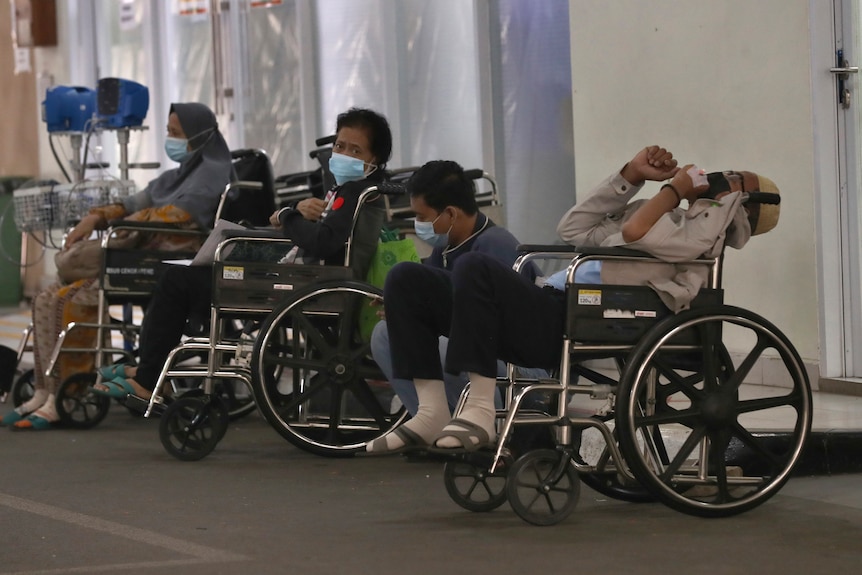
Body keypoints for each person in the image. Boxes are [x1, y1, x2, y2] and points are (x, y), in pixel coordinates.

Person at [375, 145, 773, 453]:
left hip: (576, 318)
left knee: (474, 267)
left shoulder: (697, 235)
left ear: (739, 206)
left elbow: (635, 232)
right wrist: (632, 174)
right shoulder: (662, 218)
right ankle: (431, 411)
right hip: (558, 303)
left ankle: (479, 409)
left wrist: (673, 191)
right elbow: (573, 227)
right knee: (406, 278)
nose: (722, 174)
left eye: (736, 178)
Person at [86, 107, 393, 403]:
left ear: (374, 159)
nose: (343, 155)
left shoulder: (354, 193)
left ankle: (148, 376)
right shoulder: (349, 192)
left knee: (177, 282)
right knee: (180, 278)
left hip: (310, 288)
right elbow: (323, 236)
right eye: (339, 145)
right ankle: (149, 372)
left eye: (355, 151)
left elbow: (323, 242)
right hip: (307, 281)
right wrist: (297, 214)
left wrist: (288, 216)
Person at [1, 103, 232, 430]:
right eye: (168, 131)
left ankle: (68, 395)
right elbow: (135, 202)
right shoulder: (172, 178)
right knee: (46, 298)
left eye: (176, 133)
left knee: (73, 301)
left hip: (169, 262)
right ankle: (45, 390)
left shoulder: (212, 173)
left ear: (197, 137)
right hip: (135, 256)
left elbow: (182, 216)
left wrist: (127, 224)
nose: (170, 139)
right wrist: (96, 216)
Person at [365, 160, 540, 453]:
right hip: (486, 352)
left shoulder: (496, 245)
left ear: (449, 213)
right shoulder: (445, 247)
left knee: (447, 345)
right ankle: (432, 423)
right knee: (386, 333)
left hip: (523, 363)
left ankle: (487, 426)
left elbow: (497, 321)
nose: (418, 224)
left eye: (421, 216)